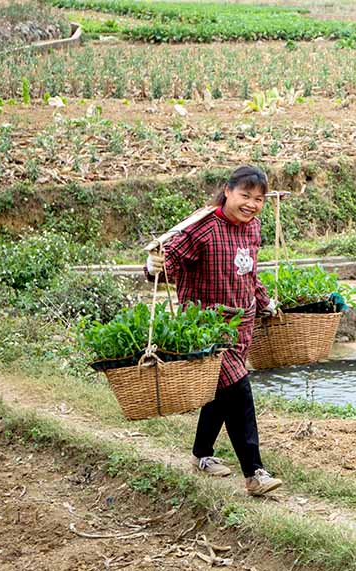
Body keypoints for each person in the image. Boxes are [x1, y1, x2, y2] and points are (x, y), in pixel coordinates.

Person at [145, 165, 282, 496]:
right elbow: (168, 264)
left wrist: (264, 302)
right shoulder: (203, 227)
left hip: (242, 324)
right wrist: (153, 267)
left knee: (220, 392)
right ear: (227, 191)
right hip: (207, 327)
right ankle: (255, 472)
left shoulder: (253, 228)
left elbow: (250, 274)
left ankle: (201, 455)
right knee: (239, 388)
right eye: (245, 196)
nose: (251, 204)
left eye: (259, 199)